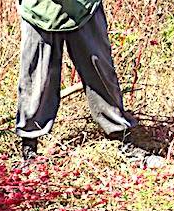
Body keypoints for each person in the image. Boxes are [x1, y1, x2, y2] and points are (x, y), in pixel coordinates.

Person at [15, 0, 163, 160]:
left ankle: (123, 137)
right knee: (37, 80)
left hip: (84, 8)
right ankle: (29, 147)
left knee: (100, 72)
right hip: (38, 10)